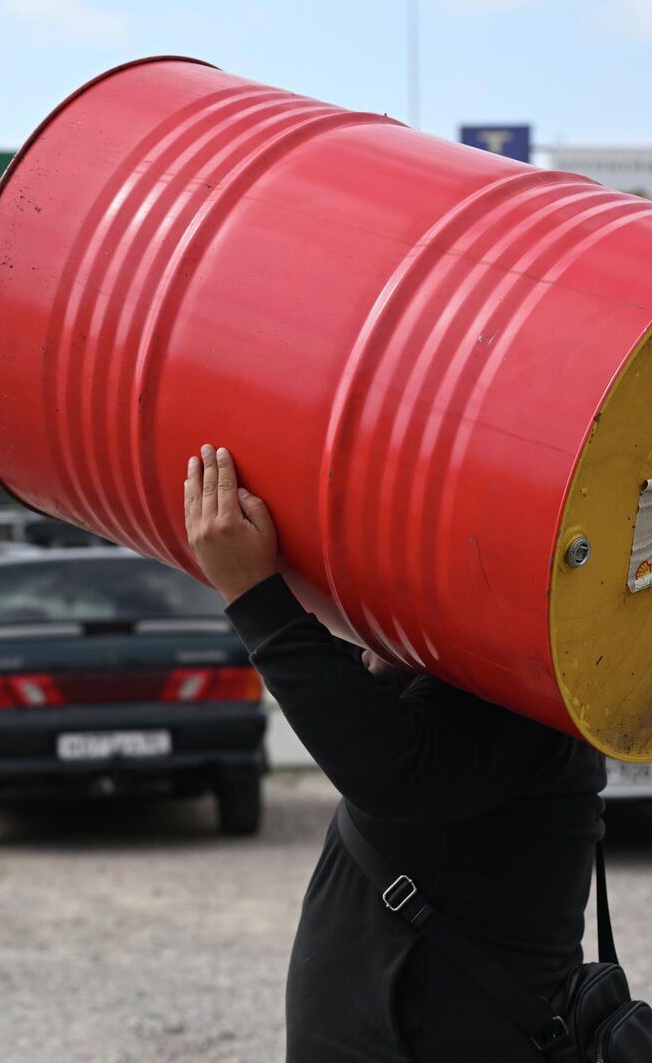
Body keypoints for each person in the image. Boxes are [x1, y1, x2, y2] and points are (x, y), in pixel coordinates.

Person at [182, 444, 606, 1062]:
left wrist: (254, 595)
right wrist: (391, 663)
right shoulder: (466, 671)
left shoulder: (522, 689)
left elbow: (395, 771)